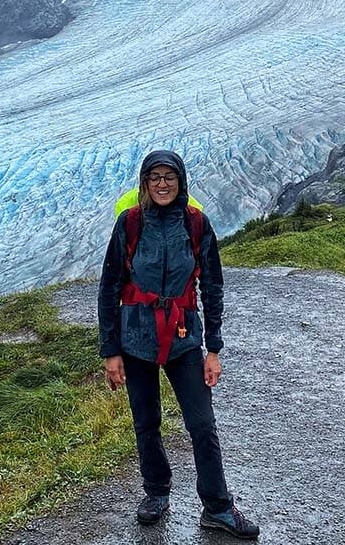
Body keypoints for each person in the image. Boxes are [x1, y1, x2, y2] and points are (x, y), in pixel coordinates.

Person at [97, 149, 260, 539]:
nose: (162, 184)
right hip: (136, 337)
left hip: (185, 338)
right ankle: (156, 492)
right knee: (146, 422)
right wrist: (110, 351)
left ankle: (218, 506)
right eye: (155, 177)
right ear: (145, 182)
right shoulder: (130, 224)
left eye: (169, 176)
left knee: (202, 424)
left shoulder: (196, 224)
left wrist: (214, 349)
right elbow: (110, 288)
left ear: (181, 180)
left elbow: (213, 286)